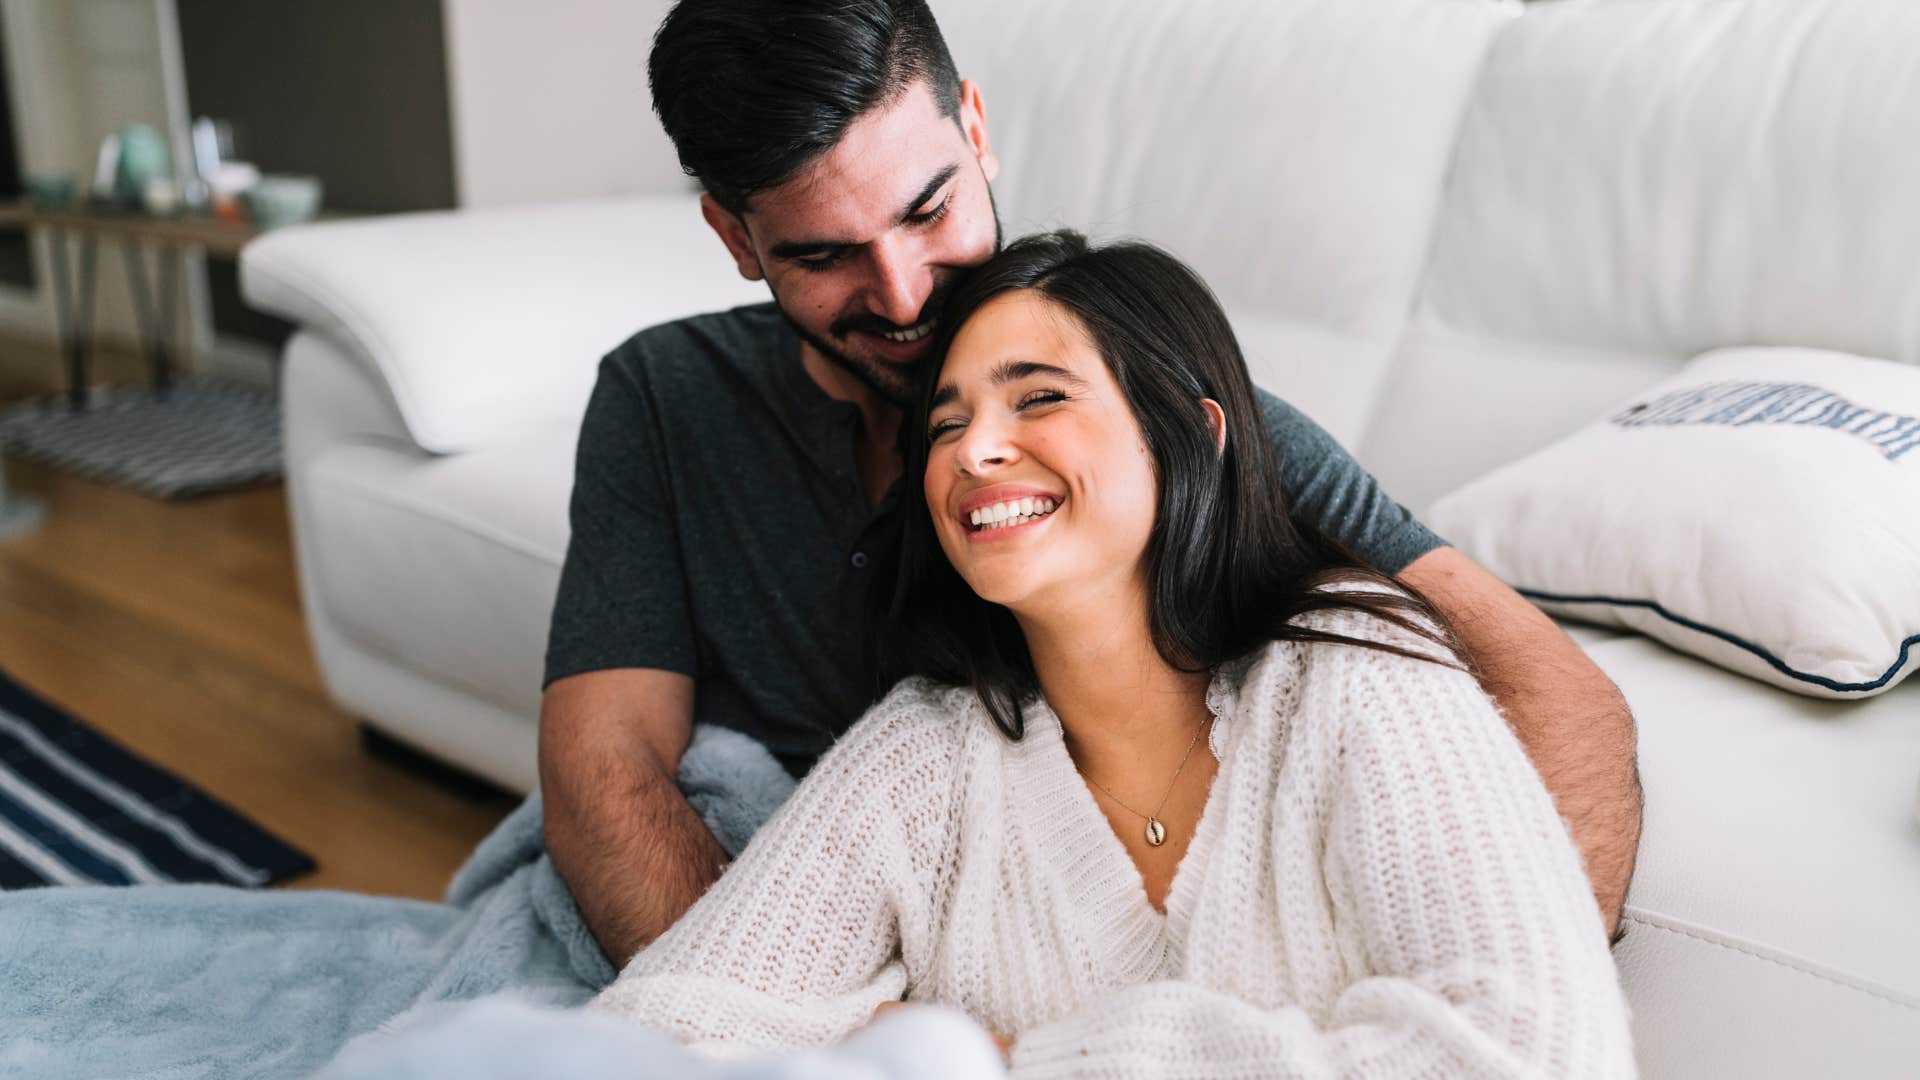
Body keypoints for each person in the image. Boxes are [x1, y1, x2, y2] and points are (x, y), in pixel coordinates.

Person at [540, 0, 1642, 969]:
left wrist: (1519, 986)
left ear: (976, 130)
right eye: (824, 256)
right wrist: (774, 1017)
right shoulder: (663, 397)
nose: (903, 294)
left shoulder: (1148, 417)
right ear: (735, 237)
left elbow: (1557, 694)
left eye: (929, 211)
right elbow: (604, 763)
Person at [589, 232, 1636, 1077]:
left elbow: (1533, 1057)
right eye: (945, 425)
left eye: (1039, 396)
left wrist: (999, 1062)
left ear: (1194, 435)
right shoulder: (924, 755)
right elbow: (658, 1035)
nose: (975, 450)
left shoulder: (1356, 677)